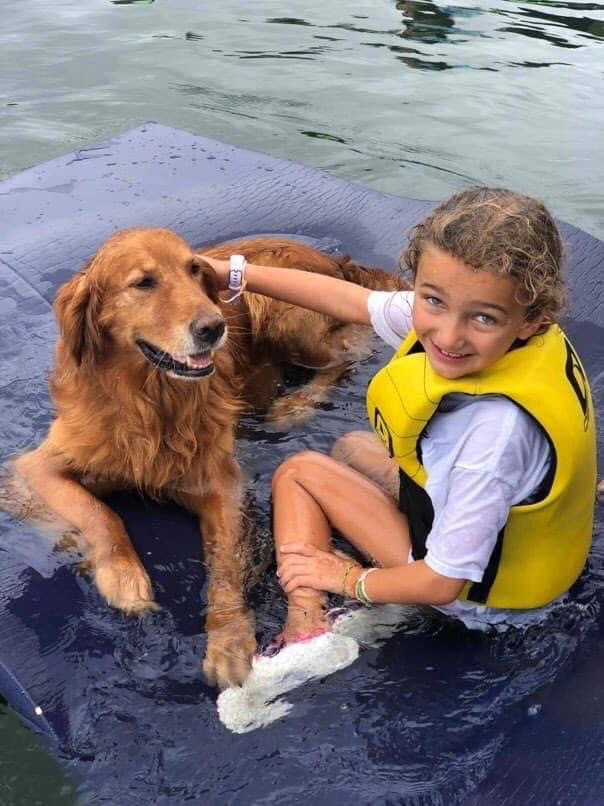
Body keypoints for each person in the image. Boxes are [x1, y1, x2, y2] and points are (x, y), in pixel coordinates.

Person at [203, 187, 597, 645]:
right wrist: (232, 273)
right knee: (352, 447)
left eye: (483, 319)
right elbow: (350, 301)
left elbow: (443, 580)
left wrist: (349, 578)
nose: (448, 335)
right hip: (531, 550)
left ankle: (307, 625)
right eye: (431, 301)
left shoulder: (493, 435)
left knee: (299, 473)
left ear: (532, 317)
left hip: (478, 598)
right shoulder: (518, 332)